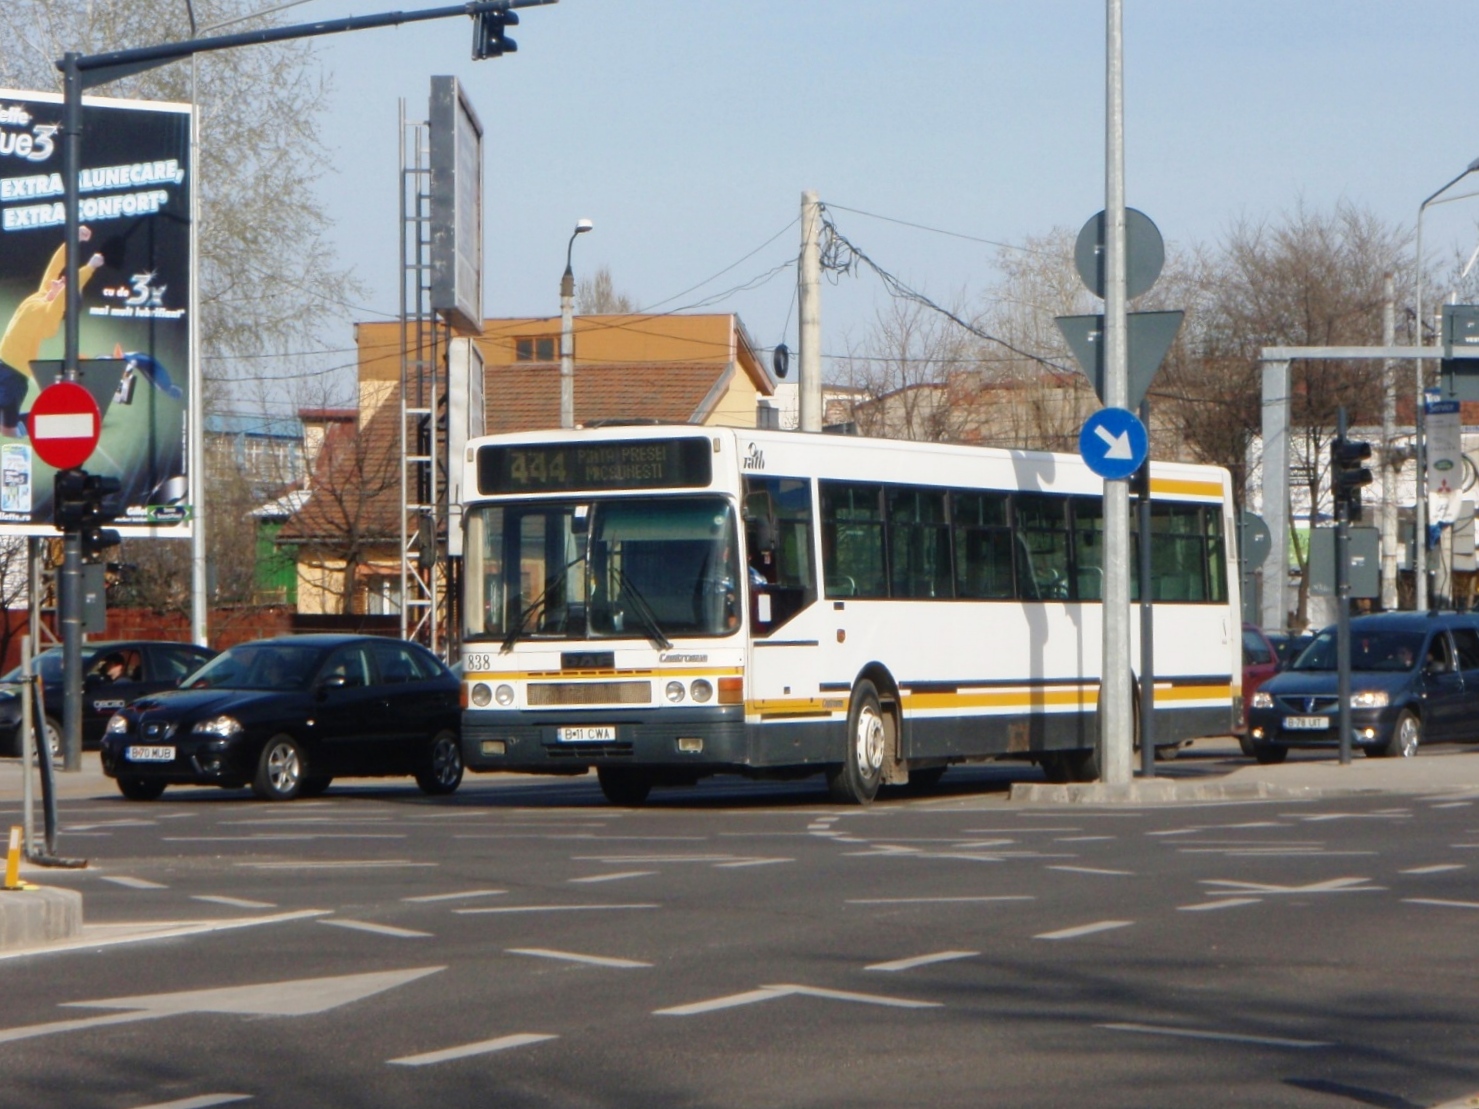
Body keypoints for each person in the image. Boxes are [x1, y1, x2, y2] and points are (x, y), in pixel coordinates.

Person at [0, 227, 105, 438]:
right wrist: (73, 240)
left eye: (62, 284)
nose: (58, 280)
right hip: (3, 365)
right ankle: (58, 417)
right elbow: (55, 266)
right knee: (4, 425)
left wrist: (90, 267)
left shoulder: (49, 315)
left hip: (14, 375)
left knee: (8, 430)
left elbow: (68, 291)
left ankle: (60, 420)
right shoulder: (41, 295)